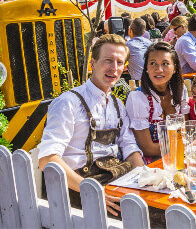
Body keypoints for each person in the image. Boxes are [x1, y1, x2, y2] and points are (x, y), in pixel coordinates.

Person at [38, 35, 144, 214]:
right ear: (93, 63)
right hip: (77, 191)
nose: (114, 68)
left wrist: (145, 178)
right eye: (108, 60)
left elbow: (129, 147)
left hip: (114, 181)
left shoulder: (118, 105)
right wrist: (93, 192)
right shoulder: (68, 102)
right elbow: (47, 159)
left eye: (119, 62)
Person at [126, 42, 189, 164]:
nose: (159, 70)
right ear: (146, 68)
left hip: (180, 157)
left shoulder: (180, 91)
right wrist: (182, 148)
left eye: (165, 64)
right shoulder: (138, 98)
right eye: (153, 63)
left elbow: (184, 131)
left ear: (174, 68)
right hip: (150, 164)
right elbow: (147, 148)